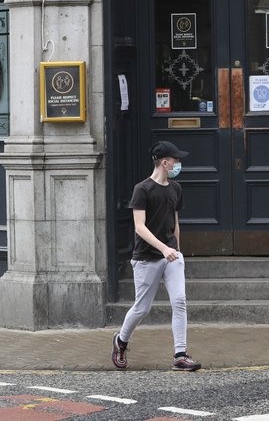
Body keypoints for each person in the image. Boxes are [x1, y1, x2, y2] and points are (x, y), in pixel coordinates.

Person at [112, 140, 201, 372]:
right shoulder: (142, 189)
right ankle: (121, 341)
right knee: (142, 308)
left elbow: (175, 222)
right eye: (176, 159)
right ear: (164, 162)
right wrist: (163, 248)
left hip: (171, 256)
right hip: (146, 257)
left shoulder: (176, 189)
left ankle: (180, 355)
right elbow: (139, 227)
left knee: (179, 301)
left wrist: (177, 251)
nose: (178, 163)